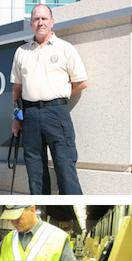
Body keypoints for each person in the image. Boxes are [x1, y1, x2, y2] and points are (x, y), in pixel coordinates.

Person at [10, 4, 88, 196]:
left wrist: (60, 94)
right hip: (30, 115)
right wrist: (17, 117)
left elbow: (81, 82)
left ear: (52, 22)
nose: (40, 22)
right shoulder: (22, 52)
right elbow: (17, 88)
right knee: (35, 170)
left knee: (65, 168)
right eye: (36, 19)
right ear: (31, 24)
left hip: (57, 113)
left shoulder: (65, 49)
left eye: (44, 18)